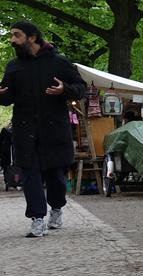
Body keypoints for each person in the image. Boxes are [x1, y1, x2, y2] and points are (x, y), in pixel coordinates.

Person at [0, 21, 86, 237]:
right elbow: (7, 98)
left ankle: (56, 208)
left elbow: (81, 88)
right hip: (25, 131)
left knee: (56, 177)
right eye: (12, 35)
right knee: (30, 176)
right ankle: (37, 219)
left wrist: (64, 89)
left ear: (32, 37)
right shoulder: (13, 66)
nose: (12, 40)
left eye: (17, 35)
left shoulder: (59, 62)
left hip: (54, 131)